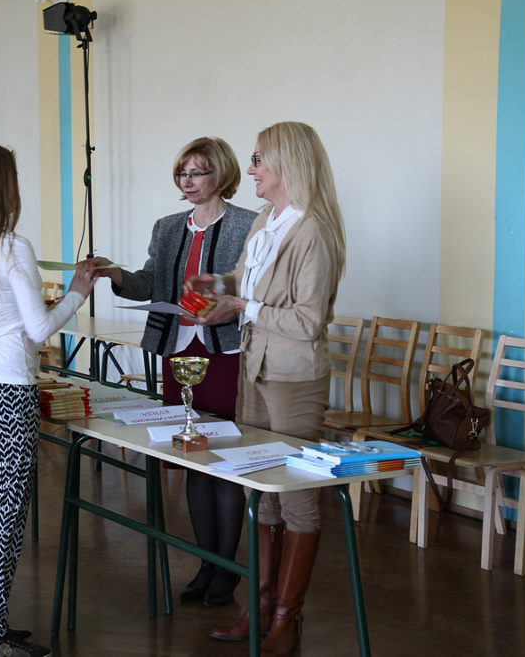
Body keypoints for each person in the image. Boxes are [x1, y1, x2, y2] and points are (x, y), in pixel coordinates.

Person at [187, 122, 345, 657]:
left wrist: (241, 307)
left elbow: (307, 321)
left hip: (294, 376)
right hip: (254, 366)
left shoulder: (313, 231)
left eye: (258, 159)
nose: (250, 169)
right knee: (261, 490)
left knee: (296, 499)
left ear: (287, 164)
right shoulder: (265, 219)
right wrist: (219, 285)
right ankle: (258, 607)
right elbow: (247, 281)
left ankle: (287, 619)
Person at [0, 142, 96, 657]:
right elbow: (39, 329)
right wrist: (78, 290)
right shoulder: (10, 245)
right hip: (6, 395)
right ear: (0, 185)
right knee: (2, 517)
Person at [91, 136, 256, 606]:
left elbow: (254, 286)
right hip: (176, 351)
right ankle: (206, 564)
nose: (188, 181)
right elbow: (150, 281)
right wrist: (114, 273)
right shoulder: (166, 227)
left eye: (198, 172)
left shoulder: (248, 223)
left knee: (223, 458)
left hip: (223, 352)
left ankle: (227, 571)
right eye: (182, 173)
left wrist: (222, 300)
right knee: (191, 459)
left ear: (222, 174)